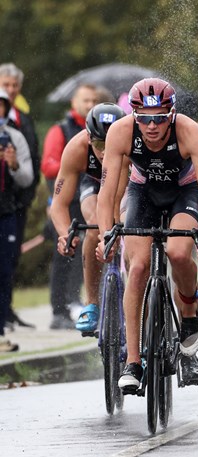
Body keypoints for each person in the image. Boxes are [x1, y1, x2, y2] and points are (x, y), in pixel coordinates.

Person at [96, 78, 198, 392]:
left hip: (184, 191)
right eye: (145, 118)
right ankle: (134, 361)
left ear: (172, 114)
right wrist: (104, 235)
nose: (152, 126)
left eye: (160, 117)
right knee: (137, 267)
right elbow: (107, 191)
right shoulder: (121, 132)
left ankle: (190, 317)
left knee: (179, 253)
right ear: (135, 115)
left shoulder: (189, 131)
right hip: (143, 193)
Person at [51, 103, 127, 333]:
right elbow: (59, 204)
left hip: (128, 183)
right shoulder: (76, 147)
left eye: (110, 143)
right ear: (88, 138)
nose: (104, 151)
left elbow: (116, 201)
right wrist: (66, 234)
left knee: (128, 224)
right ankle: (92, 303)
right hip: (93, 184)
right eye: (98, 144)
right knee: (95, 226)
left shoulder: (132, 143)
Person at [42, 83, 99, 329]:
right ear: (73, 103)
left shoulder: (101, 128)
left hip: (89, 196)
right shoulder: (61, 130)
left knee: (85, 253)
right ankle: (58, 310)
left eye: (93, 101)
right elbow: (48, 165)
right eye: (85, 101)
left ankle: (75, 302)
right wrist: (75, 163)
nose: (89, 105)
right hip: (67, 197)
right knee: (64, 251)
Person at [0, 63, 39, 331]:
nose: (11, 90)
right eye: (6, 85)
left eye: (15, 86)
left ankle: (5, 314)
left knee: (8, 260)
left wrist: (13, 165)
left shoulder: (22, 122)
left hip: (13, 202)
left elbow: (30, 164)